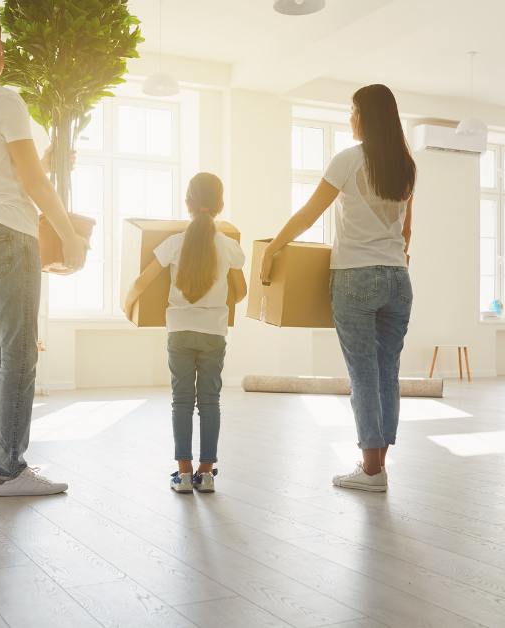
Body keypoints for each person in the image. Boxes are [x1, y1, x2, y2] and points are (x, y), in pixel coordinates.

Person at [0, 10, 88, 497]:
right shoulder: (5, 99)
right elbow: (29, 182)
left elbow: (13, 171)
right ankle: (12, 469)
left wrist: (45, 163)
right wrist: (69, 232)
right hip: (10, 236)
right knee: (21, 355)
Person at [260, 84, 416, 492]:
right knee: (387, 374)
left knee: (363, 374)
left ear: (364, 115)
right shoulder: (405, 165)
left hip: (356, 278)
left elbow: (310, 215)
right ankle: (376, 469)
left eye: (352, 110)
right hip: (399, 279)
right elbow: (406, 230)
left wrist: (272, 249)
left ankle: (370, 473)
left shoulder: (348, 160)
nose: (350, 117)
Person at [123, 173, 247, 494]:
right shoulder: (229, 246)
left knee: (181, 401)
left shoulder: (174, 243)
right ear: (220, 206)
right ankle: (206, 474)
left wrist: (128, 305)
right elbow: (242, 292)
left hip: (178, 332)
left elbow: (140, 283)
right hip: (213, 334)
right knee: (209, 401)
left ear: (188, 204)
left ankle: (184, 474)